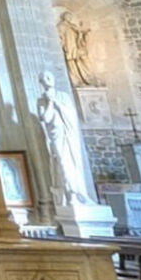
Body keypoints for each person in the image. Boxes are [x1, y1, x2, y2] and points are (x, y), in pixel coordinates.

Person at [35, 70, 97, 206]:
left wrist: (55, 101)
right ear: (41, 82)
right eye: (44, 78)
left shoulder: (64, 96)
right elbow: (46, 118)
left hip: (69, 134)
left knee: (76, 163)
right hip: (56, 136)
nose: (47, 79)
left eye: (49, 76)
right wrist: (50, 102)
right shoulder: (41, 100)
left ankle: (81, 194)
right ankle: (71, 196)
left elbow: (71, 116)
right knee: (63, 164)